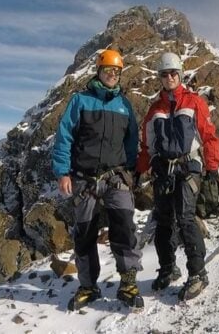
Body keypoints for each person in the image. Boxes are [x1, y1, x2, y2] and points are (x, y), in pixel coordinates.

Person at [52, 48, 143, 310]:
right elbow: (64, 137)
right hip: (84, 178)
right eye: (108, 71)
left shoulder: (124, 105)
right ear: (99, 72)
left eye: (116, 72)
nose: (112, 75)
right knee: (85, 233)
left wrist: (130, 171)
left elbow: (131, 140)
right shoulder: (80, 101)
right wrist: (63, 172)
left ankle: (128, 283)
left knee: (124, 227)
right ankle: (88, 286)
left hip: (116, 177)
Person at [137, 52, 219, 301]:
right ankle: (167, 268)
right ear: (160, 78)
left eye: (173, 73)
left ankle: (198, 273)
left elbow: (208, 136)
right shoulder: (155, 110)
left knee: (185, 218)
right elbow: (147, 145)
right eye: (165, 74)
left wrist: (213, 168)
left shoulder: (194, 102)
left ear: (180, 75)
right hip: (164, 170)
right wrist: (139, 170)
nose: (170, 77)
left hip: (188, 168)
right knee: (163, 222)